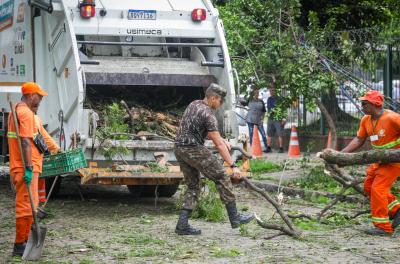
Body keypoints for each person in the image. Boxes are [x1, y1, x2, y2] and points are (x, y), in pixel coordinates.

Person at [174, 83, 254, 235]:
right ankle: (235, 217)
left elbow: (211, 135)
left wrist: (223, 140)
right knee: (222, 175)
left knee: (193, 186)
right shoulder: (209, 114)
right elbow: (217, 144)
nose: (221, 104)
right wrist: (233, 165)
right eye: (220, 101)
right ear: (212, 98)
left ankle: (182, 225)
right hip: (193, 149)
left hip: (179, 148)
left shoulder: (194, 104)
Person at [341, 90, 400, 236]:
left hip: (394, 161)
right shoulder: (365, 120)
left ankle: (383, 227)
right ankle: (396, 210)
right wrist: (341, 154)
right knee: (368, 187)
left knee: (378, 188)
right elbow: (359, 139)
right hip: (378, 160)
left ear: (375, 104)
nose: (361, 106)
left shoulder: (393, 118)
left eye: (364, 103)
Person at [7, 82, 49, 256]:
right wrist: (29, 168)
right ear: (31, 95)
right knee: (25, 207)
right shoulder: (25, 113)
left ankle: (24, 241)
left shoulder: (16, 110)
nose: (40, 100)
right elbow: (25, 141)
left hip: (21, 165)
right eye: (39, 96)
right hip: (25, 166)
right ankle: (20, 244)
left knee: (29, 205)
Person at [35, 114, 61, 219]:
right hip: (28, 161)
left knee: (38, 185)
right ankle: (32, 213)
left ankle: (36, 209)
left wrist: (55, 149)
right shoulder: (28, 118)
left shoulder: (35, 119)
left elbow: (44, 136)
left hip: (36, 160)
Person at [266, 86, 285, 153]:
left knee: (280, 133)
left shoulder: (279, 99)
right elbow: (269, 108)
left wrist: (283, 118)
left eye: (273, 90)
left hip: (278, 118)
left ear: (275, 91)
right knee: (269, 133)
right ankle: (268, 147)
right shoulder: (269, 99)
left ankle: (281, 148)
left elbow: (282, 109)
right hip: (270, 118)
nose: (271, 92)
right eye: (270, 91)